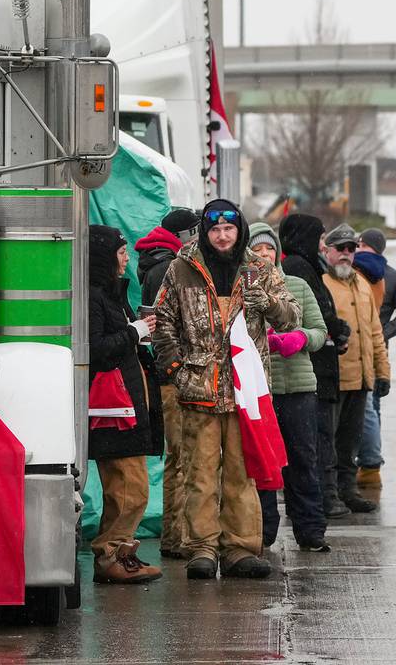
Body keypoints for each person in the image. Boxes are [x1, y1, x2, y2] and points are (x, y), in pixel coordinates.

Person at [153, 199, 300, 580]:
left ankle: (240, 548)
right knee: (199, 474)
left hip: (244, 391)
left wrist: (265, 302)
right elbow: (163, 321)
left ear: (240, 231)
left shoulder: (259, 269)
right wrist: (175, 368)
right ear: (205, 231)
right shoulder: (180, 268)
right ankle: (201, 548)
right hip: (198, 388)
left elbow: (291, 317)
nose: (221, 236)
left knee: (241, 473)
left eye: (229, 229)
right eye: (215, 229)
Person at [246, 223, 332, 553]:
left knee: (303, 459)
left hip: (298, 388)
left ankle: (310, 529)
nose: (264, 255)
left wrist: (299, 338)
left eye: (269, 248)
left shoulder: (296, 285)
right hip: (259, 391)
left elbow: (319, 331)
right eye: (257, 249)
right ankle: (263, 530)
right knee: (262, 463)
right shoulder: (242, 288)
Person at [87, 224, 164, 583]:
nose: (126, 259)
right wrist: (135, 332)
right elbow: (96, 350)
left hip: (126, 410)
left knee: (130, 488)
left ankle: (121, 553)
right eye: (120, 253)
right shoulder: (94, 298)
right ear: (104, 256)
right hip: (112, 413)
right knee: (128, 489)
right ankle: (110, 556)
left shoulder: (111, 295)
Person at [133, 206, 200, 559]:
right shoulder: (167, 267)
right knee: (184, 455)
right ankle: (182, 537)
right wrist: (176, 366)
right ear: (187, 235)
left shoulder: (154, 262)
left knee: (178, 457)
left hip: (164, 374)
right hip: (173, 376)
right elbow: (166, 326)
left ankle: (176, 535)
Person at [278, 213, 353, 519]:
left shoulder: (309, 267)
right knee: (318, 438)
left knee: (324, 435)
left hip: (320, 366)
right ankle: (324, 497)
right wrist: (337, 328)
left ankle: (328, 494)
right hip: (312, 369)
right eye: (320, 238)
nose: (323, 245)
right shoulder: (299, 268)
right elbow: (316, 314)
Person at [319, 224, 390, 515]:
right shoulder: (322, 283)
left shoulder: (362, 284)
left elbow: (375, 332)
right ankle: (329, 494)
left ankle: (348, 490)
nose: (346, 255)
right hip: (334, 378)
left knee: (351, 441)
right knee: (329, 442)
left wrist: (382, 372)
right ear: (327, 251)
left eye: (351, 249)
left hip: (361, 379)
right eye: (341, 249)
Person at [353, 228, 396, 490]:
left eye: (362, 244)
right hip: (371, 345)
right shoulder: (391, 276)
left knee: (368, 405)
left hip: (371, 346)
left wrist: (383, 331)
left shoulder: (389, 277)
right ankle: (369, 462)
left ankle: (368, 461)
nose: (358, 248)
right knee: (370, 406)